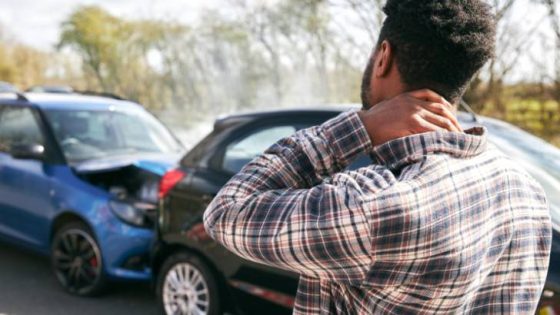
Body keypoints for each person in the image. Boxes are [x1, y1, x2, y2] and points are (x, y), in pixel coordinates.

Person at [203, 0, 551, 314]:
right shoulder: (527, 193)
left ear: (383, 56)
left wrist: (359, 127)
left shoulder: (375, 205)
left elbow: (227, 211)